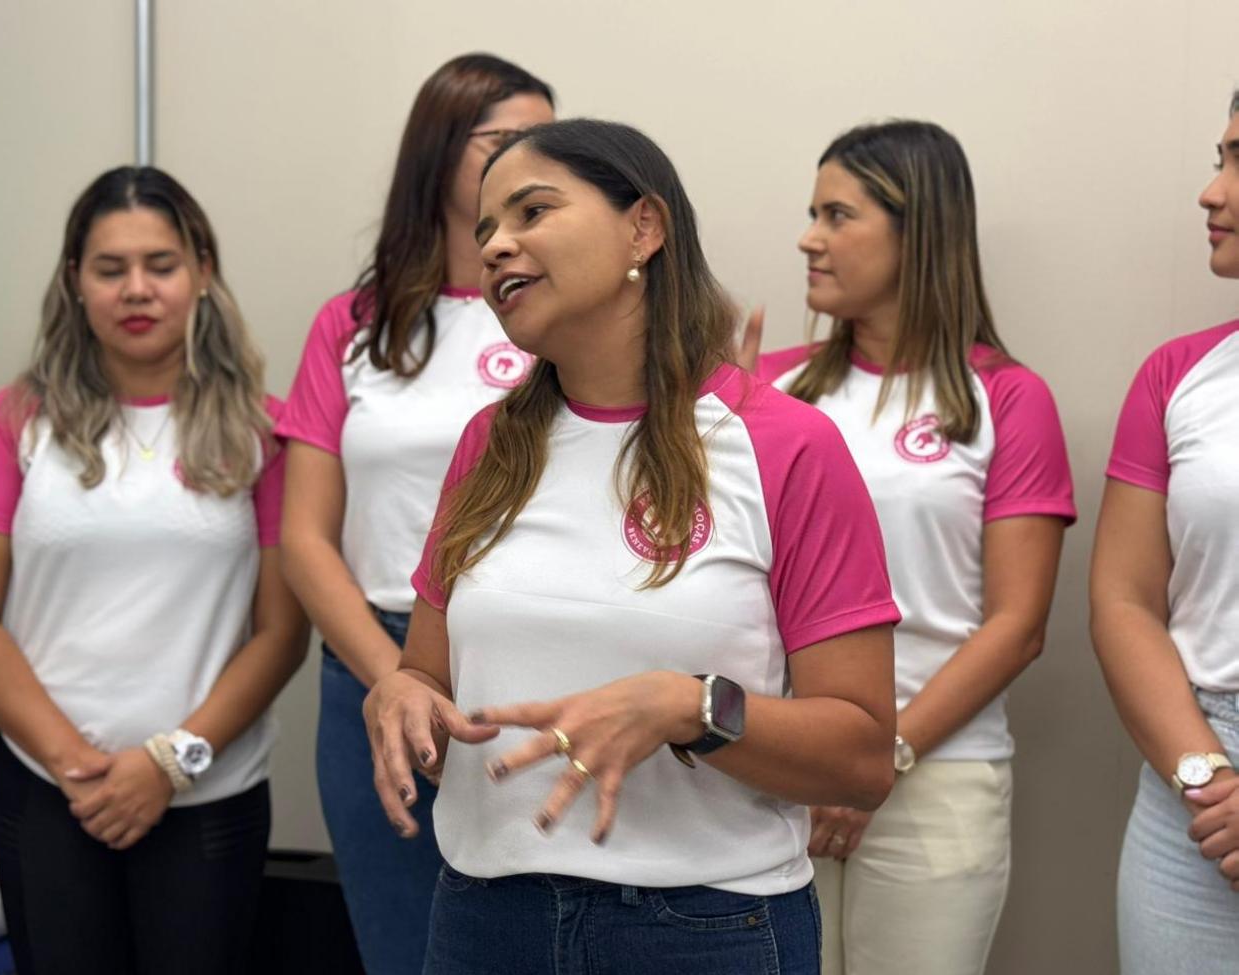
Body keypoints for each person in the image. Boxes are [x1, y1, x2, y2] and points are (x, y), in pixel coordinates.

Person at [364, 118, 901, 975]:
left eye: (532, 211)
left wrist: (690, 707)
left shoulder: (785, 445)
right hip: (484, 919)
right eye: (486, 228)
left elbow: (863, 758)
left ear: (644, 227)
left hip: (706, 929)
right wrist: (402, 692)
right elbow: (427, 673)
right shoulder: (487, 445)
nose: (496, 245)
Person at [0, 166, 309, 975]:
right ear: (75, 281)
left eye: (161, 265)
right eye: (110, 269)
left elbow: (281, 633)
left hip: (208, 795)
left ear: (202, 271)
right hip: (47, 793)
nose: (136, 289)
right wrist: (76, 763)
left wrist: (168, 762)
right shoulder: (16, 422)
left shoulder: (266, 433)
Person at [757, 120, 1075, 975]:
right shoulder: (770, 386)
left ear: (918, 231)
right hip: (782, 769)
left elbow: (1017, 625)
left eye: (837, 215)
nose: (809, 238)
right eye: (812, 214)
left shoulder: (1006, 397)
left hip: (936, 774)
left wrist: (883, 757)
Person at [276, 52, 554, 974]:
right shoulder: (354, 323)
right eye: (506, 141)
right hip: (374, 659)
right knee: (401, 949)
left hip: (524, 667)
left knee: (535, 942)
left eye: (549, 142)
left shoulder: (564, 315)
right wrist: (399, 678)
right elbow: (305, 538)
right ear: (439, 154)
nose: (533, 161)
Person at [1090, 89, 1239, 974]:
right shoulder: (1179, 375)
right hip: (1196, 774)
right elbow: (1124, 599)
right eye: (1221, 158)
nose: (1210, 191)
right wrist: (1208, 779)